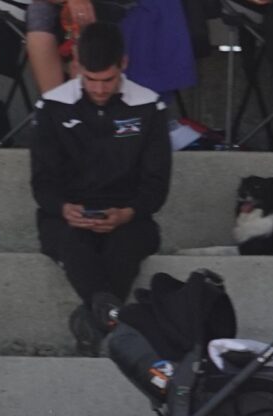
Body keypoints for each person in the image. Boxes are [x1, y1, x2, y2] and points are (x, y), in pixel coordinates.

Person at [31, 21, 172, 354]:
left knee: (123, 248)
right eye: (91, 79)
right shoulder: (52, 105)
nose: (98, 89)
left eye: (107, 80)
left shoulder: (149, 106)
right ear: (77, 66)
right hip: (67, 215)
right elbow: (42, 181)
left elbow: (156, 185)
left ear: (123, 64)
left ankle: (92, 326)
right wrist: (64, 208)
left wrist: (127, 213)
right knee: (73, 244)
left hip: (129, 214)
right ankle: (109, 322)